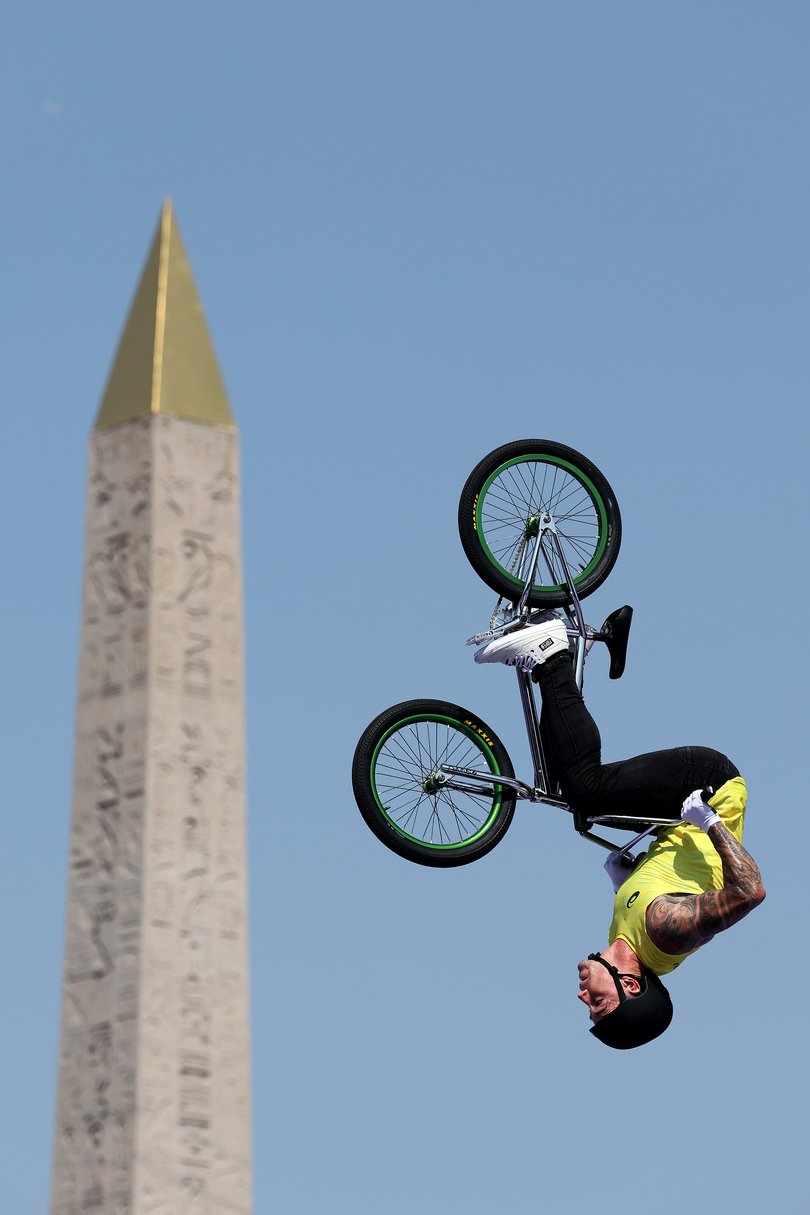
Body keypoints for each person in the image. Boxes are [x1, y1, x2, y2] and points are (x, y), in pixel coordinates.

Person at [474, 613, 766, 1050]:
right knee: (587, 790)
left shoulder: (624, 938)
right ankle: (551, 653)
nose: (583, 998)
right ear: (631, 987)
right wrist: (710, 821)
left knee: (574, 801)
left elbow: (672, 881)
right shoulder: (666, 932)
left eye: (588, 1008)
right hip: (710, 787)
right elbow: (750, 892)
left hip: (671, 822)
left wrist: (623, 879)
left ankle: (547, 652)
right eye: (598, 1006)